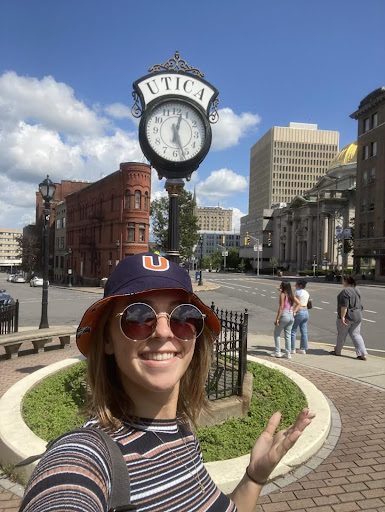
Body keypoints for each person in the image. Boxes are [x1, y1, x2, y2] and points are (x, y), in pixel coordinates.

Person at [20, 253, 315, 512]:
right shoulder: (85, 456)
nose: (163, 332)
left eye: (183, 316)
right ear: (107, 338)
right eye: (137, 315)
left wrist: (254, 477)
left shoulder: (183, 436)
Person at [330, 274, 368, 361]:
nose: (342, 281)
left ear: (346, 281)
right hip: (357, 316)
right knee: (356, 334)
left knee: (342, 335)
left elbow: (344, 306)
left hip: (348, 316)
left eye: (343, 280)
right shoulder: (357, 290)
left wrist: (342, 317)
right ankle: (363, 353)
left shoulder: (345, 292)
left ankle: (337, 351)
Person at [273, 281, 298, 359]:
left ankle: (278, 352)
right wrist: (294, 311)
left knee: (277, 333)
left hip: (284, 314)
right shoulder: (291, 295)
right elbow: (299, 303)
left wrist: (277, 319)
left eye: (281, 285)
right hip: (291, 315)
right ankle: (288, 353)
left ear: (283, 287)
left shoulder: (283, 295)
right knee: (288, 335)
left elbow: (281, 307)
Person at [291, 279, 310, 354]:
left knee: (293, 330)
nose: (295, 285)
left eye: (296, 284)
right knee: (304, 331)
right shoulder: (307, 293)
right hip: (306, 311)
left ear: (300, 285)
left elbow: (292, 300)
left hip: (299, 311)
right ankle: (303, 349)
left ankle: (292, 348)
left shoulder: (297, 292)